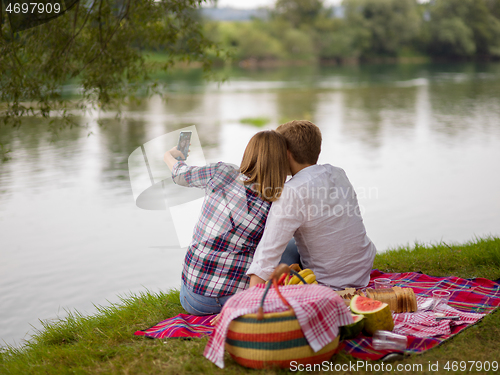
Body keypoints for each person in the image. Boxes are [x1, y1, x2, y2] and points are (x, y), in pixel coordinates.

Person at [163, 130, 288, 315]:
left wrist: (169, 155)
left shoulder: (222, 172)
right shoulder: (275, 202)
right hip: (229, 300)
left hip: (190, 295)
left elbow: (180, 174)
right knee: (289, 248)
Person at [247, 120, 377, 290]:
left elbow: (266, 256)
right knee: (291, 242)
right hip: (361, 271)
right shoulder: (338, 173)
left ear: (286, 153)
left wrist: (248, 304)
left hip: (331, 283)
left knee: (270, 246)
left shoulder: (292, 191)